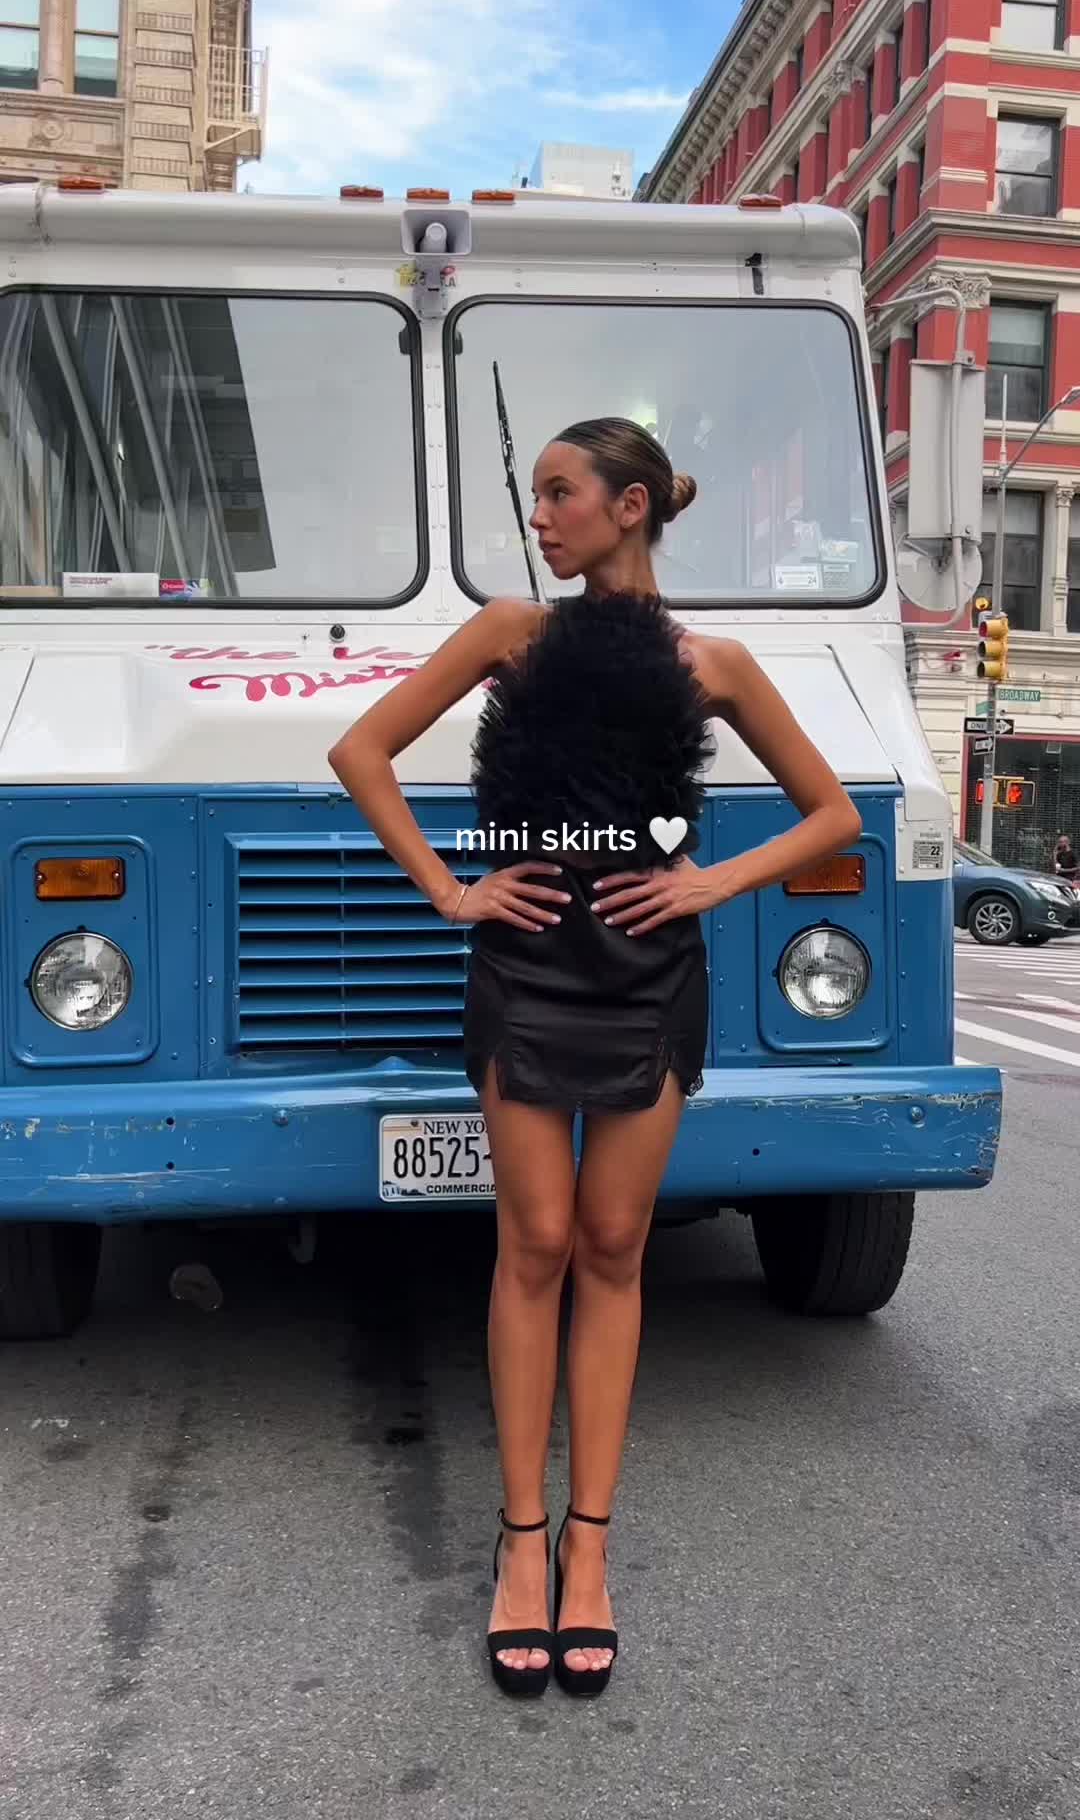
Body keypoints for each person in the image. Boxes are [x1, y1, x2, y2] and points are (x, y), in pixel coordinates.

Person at [328, 417, 861, 1699]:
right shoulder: (513, 633)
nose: (540, 517)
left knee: (616, 1246)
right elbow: (360, 751)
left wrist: (710, 884)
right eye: (537, 496)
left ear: (630, 506)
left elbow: (834, 812)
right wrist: (452, 891)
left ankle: (590, 1547)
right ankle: (522, 1543)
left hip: (650, 981)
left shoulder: (712, 662)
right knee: (536, 1244)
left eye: (559, 493)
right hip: (526, 973)